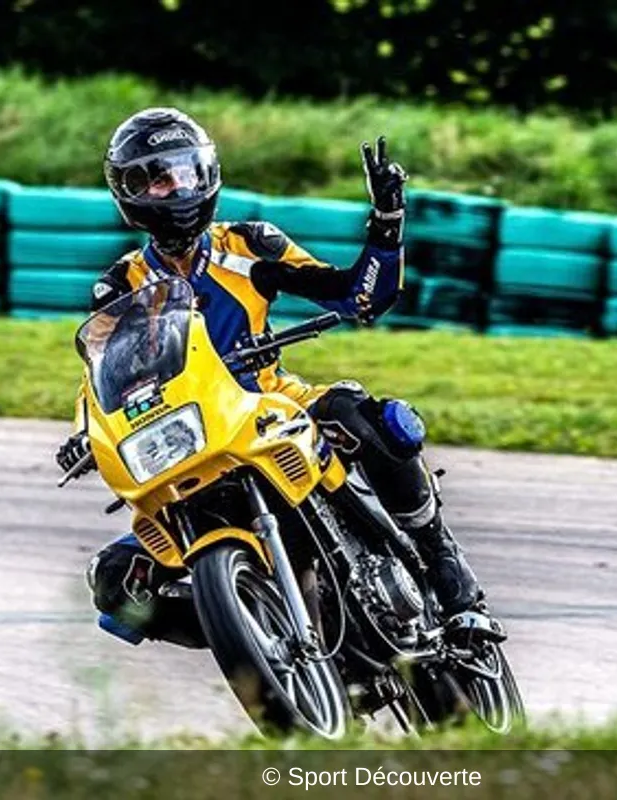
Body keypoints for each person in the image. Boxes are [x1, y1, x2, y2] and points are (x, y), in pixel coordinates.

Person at [56, 107, 488, 648]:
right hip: (190, 436)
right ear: (132, 192)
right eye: (156, 179)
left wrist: (386, 222)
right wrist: (83, 434)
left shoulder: (250, 244)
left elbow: (360, 296)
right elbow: (99, 375)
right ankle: (254, 633)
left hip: (273, 403)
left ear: (205, 174)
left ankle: (444, 565)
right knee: (114, 587)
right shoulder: (121, 284)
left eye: (181, 172)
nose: (173, 189)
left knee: (370, 419)